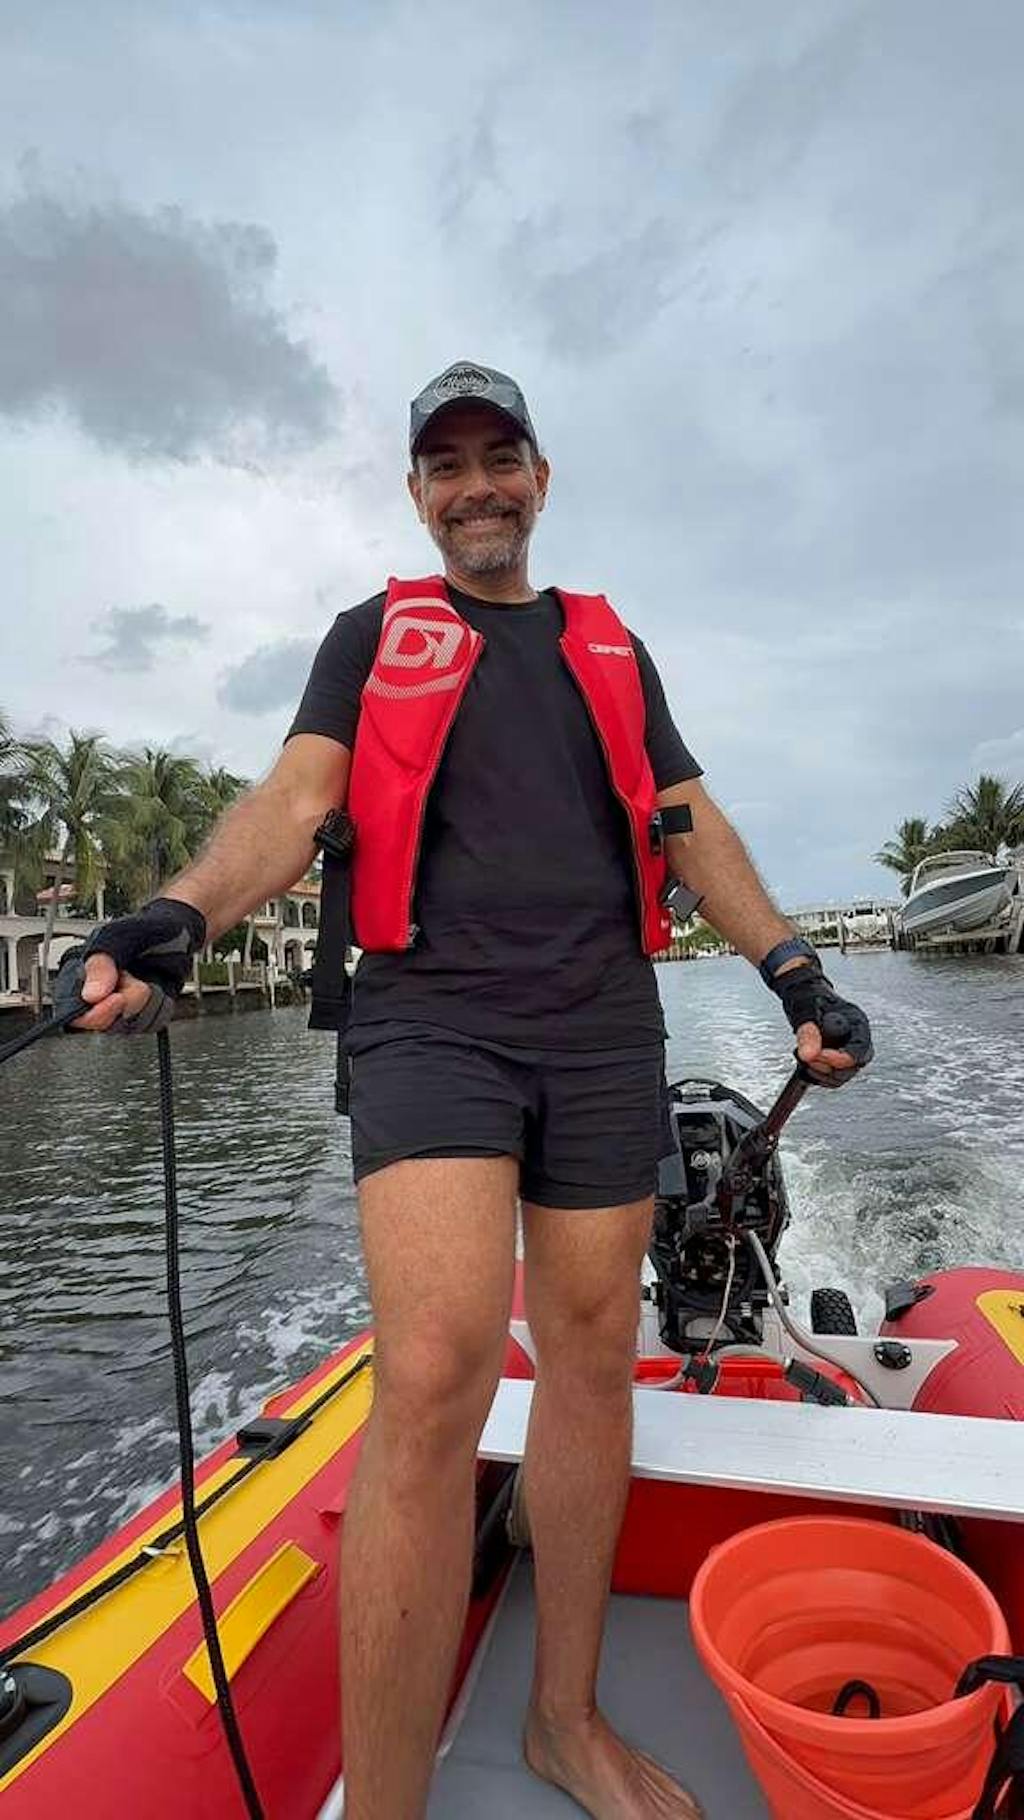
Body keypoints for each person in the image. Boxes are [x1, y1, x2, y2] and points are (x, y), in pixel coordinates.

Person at [65, 361, 872, 1820]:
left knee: (590, 1357)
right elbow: (297, 798)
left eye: (502, 457)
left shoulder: (611, 650)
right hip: (432, 1020)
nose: (477, 485)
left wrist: (797, 973)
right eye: (448, 465)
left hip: (601, 1024)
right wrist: (181, 916)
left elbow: (687, 822)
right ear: (418, 494)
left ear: (541, 479)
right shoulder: (371, 635)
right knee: (436, 1370)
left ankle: (564, 1719)